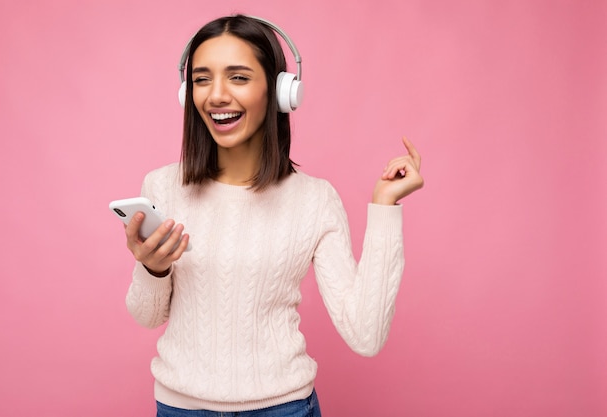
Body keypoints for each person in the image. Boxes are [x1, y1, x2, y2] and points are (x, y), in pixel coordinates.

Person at [123, 14, 424, 417]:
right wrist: (152, 270)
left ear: (281, 91)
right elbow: (147, 316)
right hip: (181, 408)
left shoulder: (314, 200)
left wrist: (385, 207)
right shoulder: (161, 187)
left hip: (283, 408)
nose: (216, 95)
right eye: (201, 79)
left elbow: (365, 335)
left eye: (239, 77)